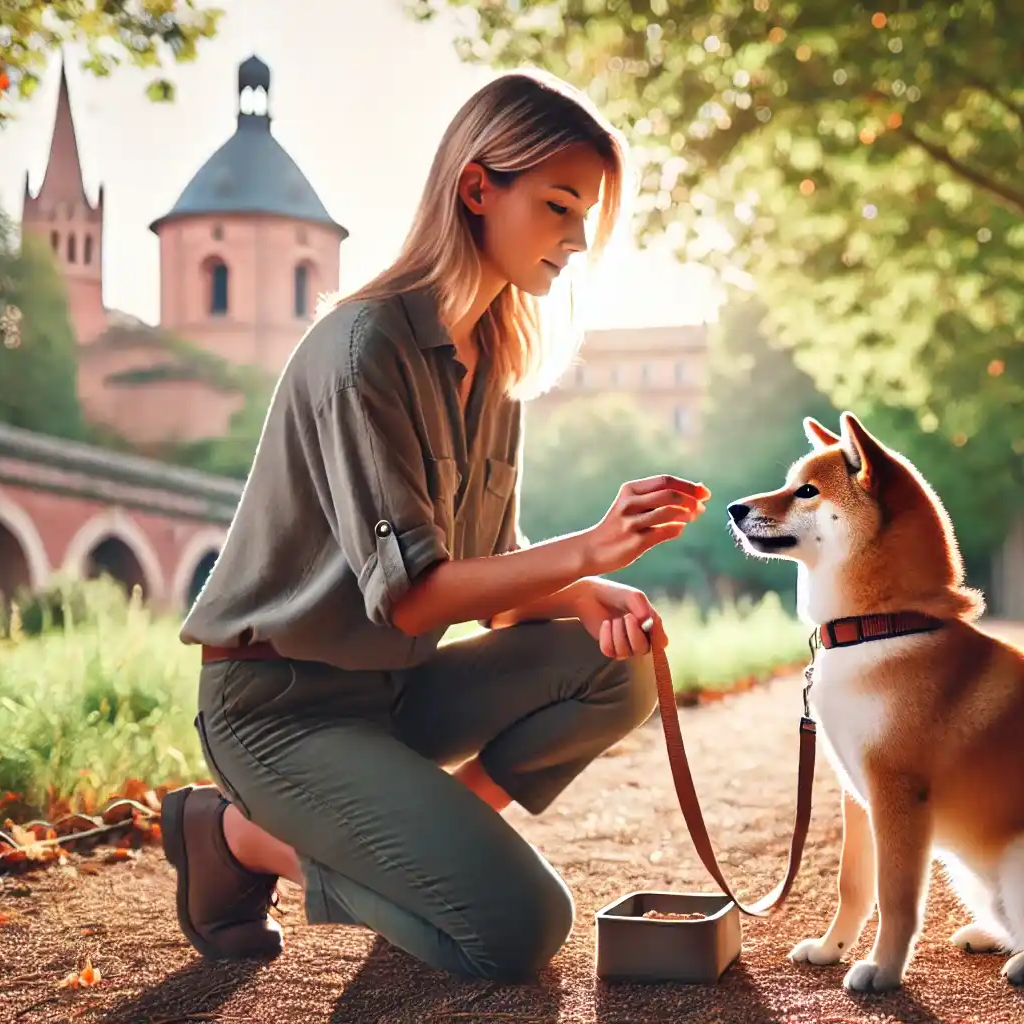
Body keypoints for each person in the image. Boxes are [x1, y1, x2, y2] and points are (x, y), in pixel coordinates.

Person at [163, 69, 710, 984]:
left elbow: (489, 578)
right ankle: (235, 838)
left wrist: (583, 591)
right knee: (517, 931)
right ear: (477, 189)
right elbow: (414, 602)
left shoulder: (494, 358)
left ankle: (420, 845)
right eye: (559, 207)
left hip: (394, 697)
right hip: (280, 712)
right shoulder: (363, 349)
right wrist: (587, 545)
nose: (576, 241)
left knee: (620, 664)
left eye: (586, 218)